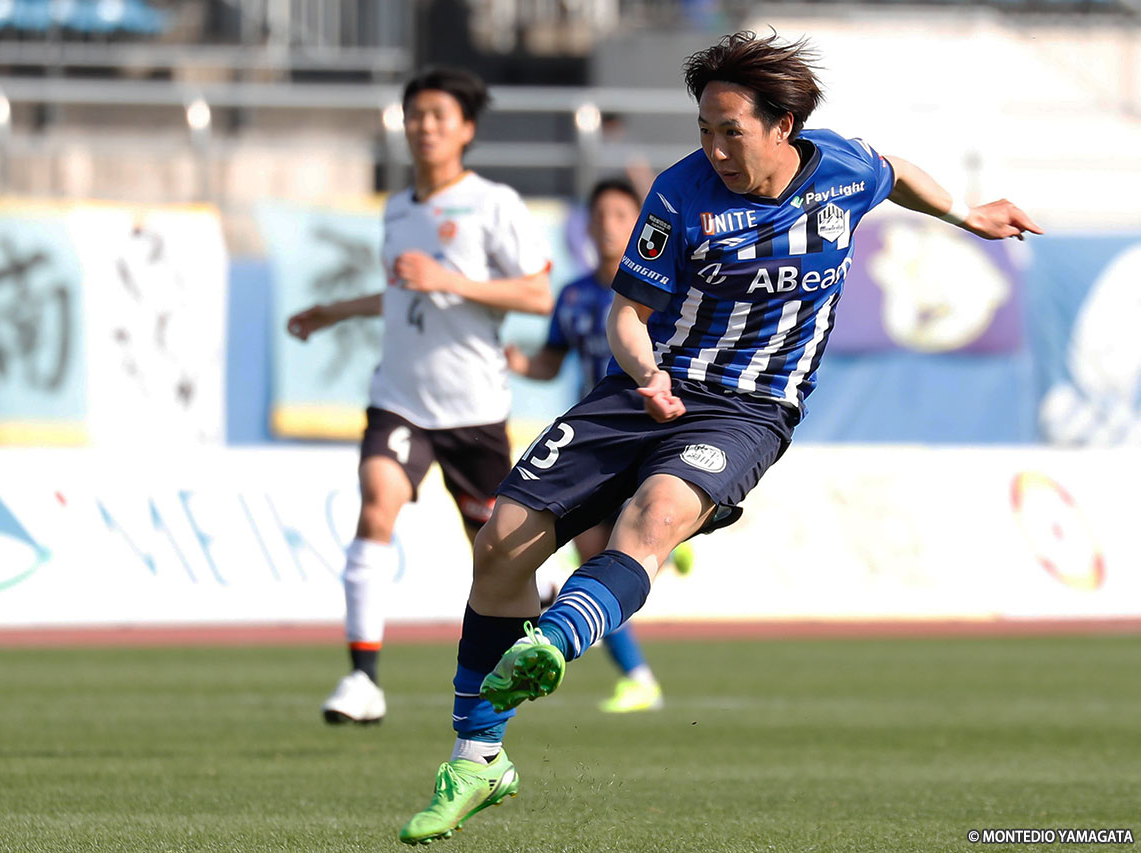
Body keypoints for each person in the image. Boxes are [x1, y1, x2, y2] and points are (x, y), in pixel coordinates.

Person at [398, 31, 1041, 844]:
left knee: (655, 517)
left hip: (750, 409)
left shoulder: (842, 169)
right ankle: (478, 760)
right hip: (646, 389)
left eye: (730, 130)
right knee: (499, 545)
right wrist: (645, 373)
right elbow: (626, 314)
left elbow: (898, 170)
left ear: (784, 126)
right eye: (704, 129)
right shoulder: (680, 193)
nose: (715, 148)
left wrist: (964, 214)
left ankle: (554, 642)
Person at [286, 66, 554, 726]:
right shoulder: (398, 208)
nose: (424, 126)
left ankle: (545, 598)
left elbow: (536, 294)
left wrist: (450, 279)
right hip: (400, 397)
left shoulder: (493, 203)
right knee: (377, 503)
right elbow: (405, 292)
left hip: (474, 407)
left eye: (438, 115)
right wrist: (336, 311)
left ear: (466, 129)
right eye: (415, 115)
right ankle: (362, 679)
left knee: (498, 555)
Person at [508, 177, 671, 714]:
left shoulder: (665, 290)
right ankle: (638, 677)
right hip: (598, 441)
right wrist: (516, 362)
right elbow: (550, 362)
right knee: (595, 559)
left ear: (640, 223)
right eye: (599, 217)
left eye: (620, 215)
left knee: (635, 536)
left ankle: (678, 542)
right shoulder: (575, 296)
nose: (607, 227)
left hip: (655, 433)